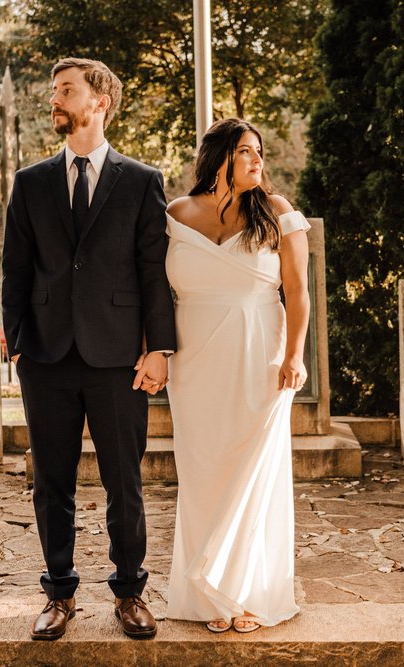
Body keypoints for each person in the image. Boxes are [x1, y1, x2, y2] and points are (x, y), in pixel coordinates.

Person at [1, 57, 176, 641]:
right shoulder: (29, 183)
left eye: (67, 91)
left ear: (99, 101)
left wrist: (160, 350)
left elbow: (155, 273)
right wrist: (18, 345)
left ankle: (130, 593)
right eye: (55, 91)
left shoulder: (142, 181)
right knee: (52, 482)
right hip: (46, 358)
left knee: (124, 480)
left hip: (118, 355)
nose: (56, 99)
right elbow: (15, 271)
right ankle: (59, 594)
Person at [164, 118, 310, 633]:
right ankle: (208, 599)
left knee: (255, 472)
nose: (256, 161)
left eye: (259, 152)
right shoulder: (176, 214)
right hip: (195, 359)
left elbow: (297, 293)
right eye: (245, 151)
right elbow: (156, 292)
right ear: (219, 156)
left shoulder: (278, 213)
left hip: (261, 356)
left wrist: (294, 356)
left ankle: (249, 594)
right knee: (204, 472)